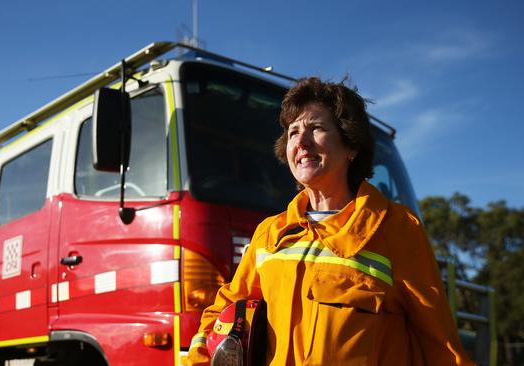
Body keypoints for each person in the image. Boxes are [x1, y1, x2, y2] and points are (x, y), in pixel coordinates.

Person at [187, 77, 474, 365]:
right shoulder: (270, 234)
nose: (301, 141)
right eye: (293, 132)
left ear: (351, 146)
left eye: (316, 128)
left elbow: (440, 345)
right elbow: (222, 314)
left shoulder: (397, 229)